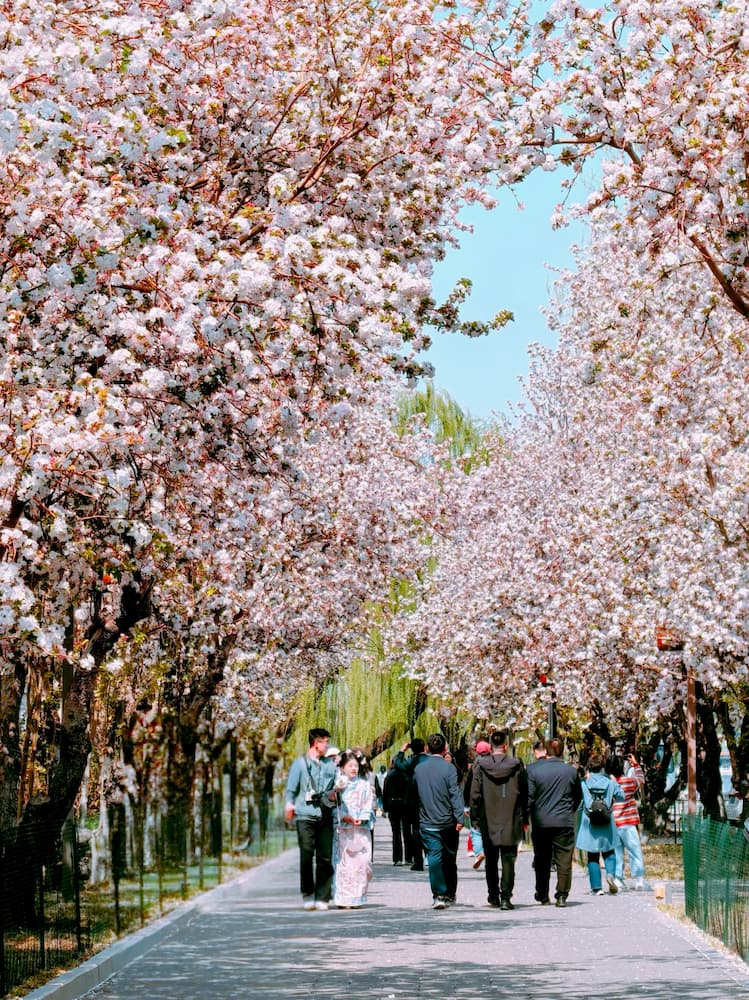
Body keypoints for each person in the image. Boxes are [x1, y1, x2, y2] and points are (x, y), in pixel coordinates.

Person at [470, 730, 528, 910]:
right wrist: (525, 817)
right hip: (511, 817)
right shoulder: (516, 765)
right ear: (505, 746)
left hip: (488, 817)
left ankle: (493, 894)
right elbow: (525, 794)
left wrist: (474, 817)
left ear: (491, 745)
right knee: (509, 858)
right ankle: (506, 897)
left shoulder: (481, 766)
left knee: (491, 859)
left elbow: (475, 793)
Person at [284, 727, 337, 911]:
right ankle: (307, 894)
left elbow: (335, 786)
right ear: (316, 743)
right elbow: (291, 789)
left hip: (324, 816)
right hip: (305, 816)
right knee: (306, 855)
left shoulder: (329, 765)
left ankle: (322, 896)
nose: (327, 745)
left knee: (325, 857)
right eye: (325, 741)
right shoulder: (299, 764)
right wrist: (289, 806)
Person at [527, 737, 582, 908]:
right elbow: (578, 796)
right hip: (564, 820)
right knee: (564, 860)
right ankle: (562, 895)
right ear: (563, 751)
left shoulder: (534, 771)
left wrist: (528, 815)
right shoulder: (571, 772)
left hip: (541, 821)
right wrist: (569, 810)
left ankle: (542, 893)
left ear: (547, 751)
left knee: (542, 858)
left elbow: (530, 797)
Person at [413, 732, 465, 909]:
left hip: (428, 821)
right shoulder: (448, 768)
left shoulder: (419, 769)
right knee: (450, 858)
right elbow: (454, 794)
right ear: (445, 749)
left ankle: (439, 894)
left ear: (427, 748)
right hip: (448, 821)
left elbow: (414, 795)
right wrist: (459, 817)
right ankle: (450, 893)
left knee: (434, 858)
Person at [576, 752, 624, 896]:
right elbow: (621, 797)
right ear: (602, 767)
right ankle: (610, 875)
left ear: (589, 767)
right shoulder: (610, 782)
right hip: (606, 820)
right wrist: (615, 782)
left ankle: (597, 888)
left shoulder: (584, 783)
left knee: (592, 856)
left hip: (590, 823)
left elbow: (579, 803)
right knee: (609, 851)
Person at [332, 750, 375, 908]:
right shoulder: (338, 786)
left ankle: (358, 897)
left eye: (355, 766)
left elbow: (369, 803)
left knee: (363, 864)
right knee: (346, 865)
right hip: (344, 831)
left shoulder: (364, 785)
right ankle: (344, 899)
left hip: (361, 830)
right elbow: (334, 806)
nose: (353, 769)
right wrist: (344, 817)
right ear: (342, 767)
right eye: (350, 766)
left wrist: (363, 817)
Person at [607, 753, 647, 890]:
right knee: (634, 850)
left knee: (617, 853)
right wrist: (635, 764)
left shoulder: (609, 784)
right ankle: (639, 880)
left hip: (613, 823)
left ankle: (618, 879)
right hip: (629, 822)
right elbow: (641, 779)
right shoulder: (629, 782)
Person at [394, 737, 428, 870]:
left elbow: (398, 766)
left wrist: (402, 751)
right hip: (429, 798)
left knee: (416, 830)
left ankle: (418, 861)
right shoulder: (429, 759)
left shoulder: (412, 761)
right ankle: (431, 859)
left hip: (414, 800)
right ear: (424, 747)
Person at [463, 739, 491, 868]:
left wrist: (467, 806)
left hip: (477, 802)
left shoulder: (475, 766)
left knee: (476, 830)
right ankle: (490, 853)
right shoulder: (495, 764)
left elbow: (468, 787)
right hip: (492, 803)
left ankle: (479, 852)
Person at [382, 759, 413, 866]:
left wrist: (385, 807)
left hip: (393, 805)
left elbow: (385, 792)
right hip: (405, 806)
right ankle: (409, 858)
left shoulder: (389, 776)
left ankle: (397, 859)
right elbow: (410, 791)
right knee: (407, 832)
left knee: (396, 833)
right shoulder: (407, 775)